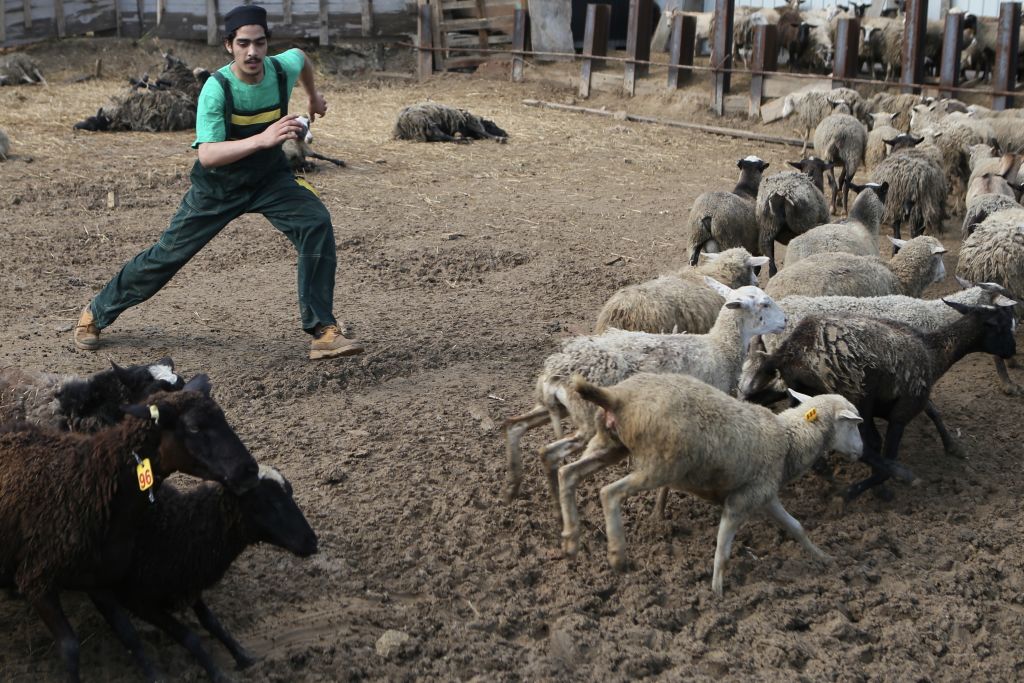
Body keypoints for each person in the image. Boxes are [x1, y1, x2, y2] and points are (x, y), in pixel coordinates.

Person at [74, 4, 364, 361]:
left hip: (270, 179)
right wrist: (264, 138)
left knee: (315, 222)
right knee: (166, 257)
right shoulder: (217, 88)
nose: (253, 52)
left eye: (259, 43)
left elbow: (302, 57)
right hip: (218, 187)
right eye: (243, 43)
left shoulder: (279, 68)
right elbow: (208, 155)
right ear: (229, 45)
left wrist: (312, 96)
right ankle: (96, 313)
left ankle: (323, 331)